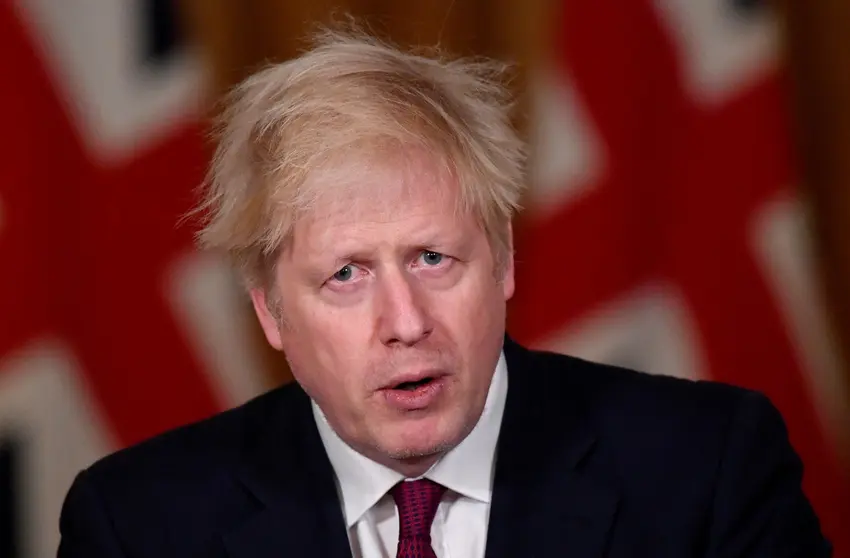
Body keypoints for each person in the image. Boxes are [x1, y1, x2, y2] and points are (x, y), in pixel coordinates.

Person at [57, 25, 831, 558]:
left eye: (432, 257)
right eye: (346, 275)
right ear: (271, 311)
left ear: (503, 262)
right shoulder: (139, 525)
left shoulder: (709, 469)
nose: (404, 322)